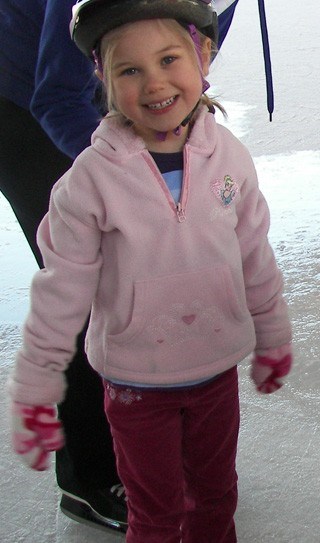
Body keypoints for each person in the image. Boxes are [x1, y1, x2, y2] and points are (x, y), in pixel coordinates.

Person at [6, 0, 292, 541]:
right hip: (137, 384)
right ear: (102, 77)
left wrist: (272, 334)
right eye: (129, 70)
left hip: (215, 372)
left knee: (215, 498)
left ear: (202, 57)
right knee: (156, 514)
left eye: (168, 60)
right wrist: (37, 383)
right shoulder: (87, 185)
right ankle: (90, 480)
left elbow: (254, 252)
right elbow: (61, 291)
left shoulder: (228, 158)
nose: (154, 84)